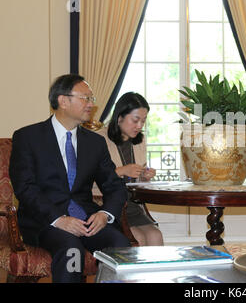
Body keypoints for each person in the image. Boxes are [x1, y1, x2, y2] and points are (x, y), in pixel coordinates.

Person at [9, 74, 131, 283]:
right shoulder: (28, 138)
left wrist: (105, 214)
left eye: (91, 99)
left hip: (86, 219)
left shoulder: (95, 143)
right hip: (44, 221)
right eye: (86, 98)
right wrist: (59, 219)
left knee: (119, 244)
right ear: (63, 101)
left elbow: (114, 186)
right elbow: (25, 188)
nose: (91, 105)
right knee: (70, 249)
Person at [94, 92, 163, 246]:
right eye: (135, 120)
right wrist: (122, 171)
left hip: (133, 205)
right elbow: (89, 179)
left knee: (155, 235)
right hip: (108, 204)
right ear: (119, 118)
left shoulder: (140, 140)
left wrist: (145, 176)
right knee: (137, 237)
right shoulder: (98, 139)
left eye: (143, 121)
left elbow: (136, 178)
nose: (139, 126)